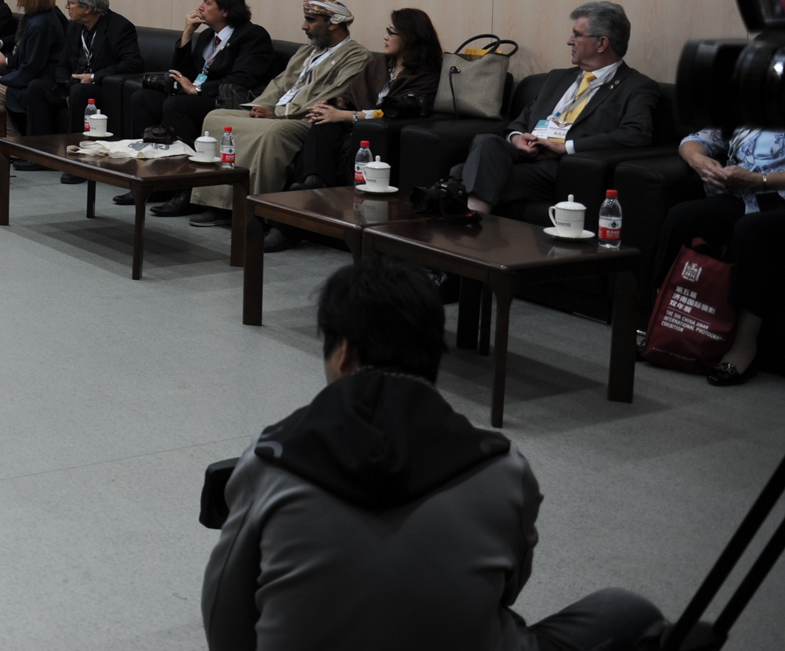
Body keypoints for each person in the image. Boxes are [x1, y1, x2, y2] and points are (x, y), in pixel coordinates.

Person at [202, 253, 664, 651]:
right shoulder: (503, 468)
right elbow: (503, 590)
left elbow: (225, 621)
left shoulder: (269, 460)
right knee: (626, 612)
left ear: (342, 354)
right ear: (432, 357)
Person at [186, 0, 370, 235]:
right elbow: (279, 84)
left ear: (333, 23)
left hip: (304, 119)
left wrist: (280, 116)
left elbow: (332, 95)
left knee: (272, 132)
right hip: (276, 113)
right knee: (215, 118)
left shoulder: (356, 56)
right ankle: (218, 204)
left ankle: (258, 211)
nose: (304, 26)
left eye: (310, 20)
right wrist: (261, 107)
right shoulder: (307, 52)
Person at [460, 2, 656, 218]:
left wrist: (565, 147)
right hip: (527, 154)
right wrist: (517, 139)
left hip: (562, 167)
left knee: (462, 174)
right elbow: (521, 120)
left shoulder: (635, 86)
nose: (569, 41)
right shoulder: (557, 78)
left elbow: (636, 134)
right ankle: (473, 220)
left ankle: (470, 220)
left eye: (577, 35)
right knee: (486, 141)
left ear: (602, 43)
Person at [652, 126, 785, 386]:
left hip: (777, 201)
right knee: (681, 218)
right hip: (742, 196)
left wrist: (760, 181)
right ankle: (664, 327)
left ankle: (744, 347)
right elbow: (695, 140)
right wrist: (699, 161)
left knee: (751, 231)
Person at [292, 8, 443, 191]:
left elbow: (395, 110)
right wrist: (329, 106)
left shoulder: (425, 74)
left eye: (392, 33)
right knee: (323, 119)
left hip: (387, 131)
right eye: (387, 31)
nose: (385, 37)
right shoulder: (380, 64)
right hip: (360, 124)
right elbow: (351, 96)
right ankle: (314, 181)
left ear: (410, 37)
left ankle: (317, 185)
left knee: (336, 120)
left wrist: (346, 116)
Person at [131, 0, 281, 158]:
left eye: (207, 3)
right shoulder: (207, 36)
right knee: (143, 98)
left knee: (177, 105)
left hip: (226, 100)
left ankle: (184, 165)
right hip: (201, 95)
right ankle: (148, 157)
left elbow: (242, 79)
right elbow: (183, 74)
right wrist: (187, 34)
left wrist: (199, 90)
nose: (200, 7)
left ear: (225, 10)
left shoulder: (252, 35)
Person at [27, 0, 144, 161]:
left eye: (70, 2)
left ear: (87, 8)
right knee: (37, 87)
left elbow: (133, 63)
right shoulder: (74, 27)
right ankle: (38, 154)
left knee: (79, 91)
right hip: (73, 84)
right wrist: (63, 83)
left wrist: (94, 77)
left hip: (101, 88)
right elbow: (63, 62)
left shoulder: (119, 27)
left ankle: (75, 158)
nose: (66, 6)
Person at [0, 0, 67, 146]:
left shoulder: (40, 24)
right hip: (34, 77)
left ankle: (14, 144)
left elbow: (32, 68)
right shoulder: (40, 18)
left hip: (42, 81)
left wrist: (5, 79)